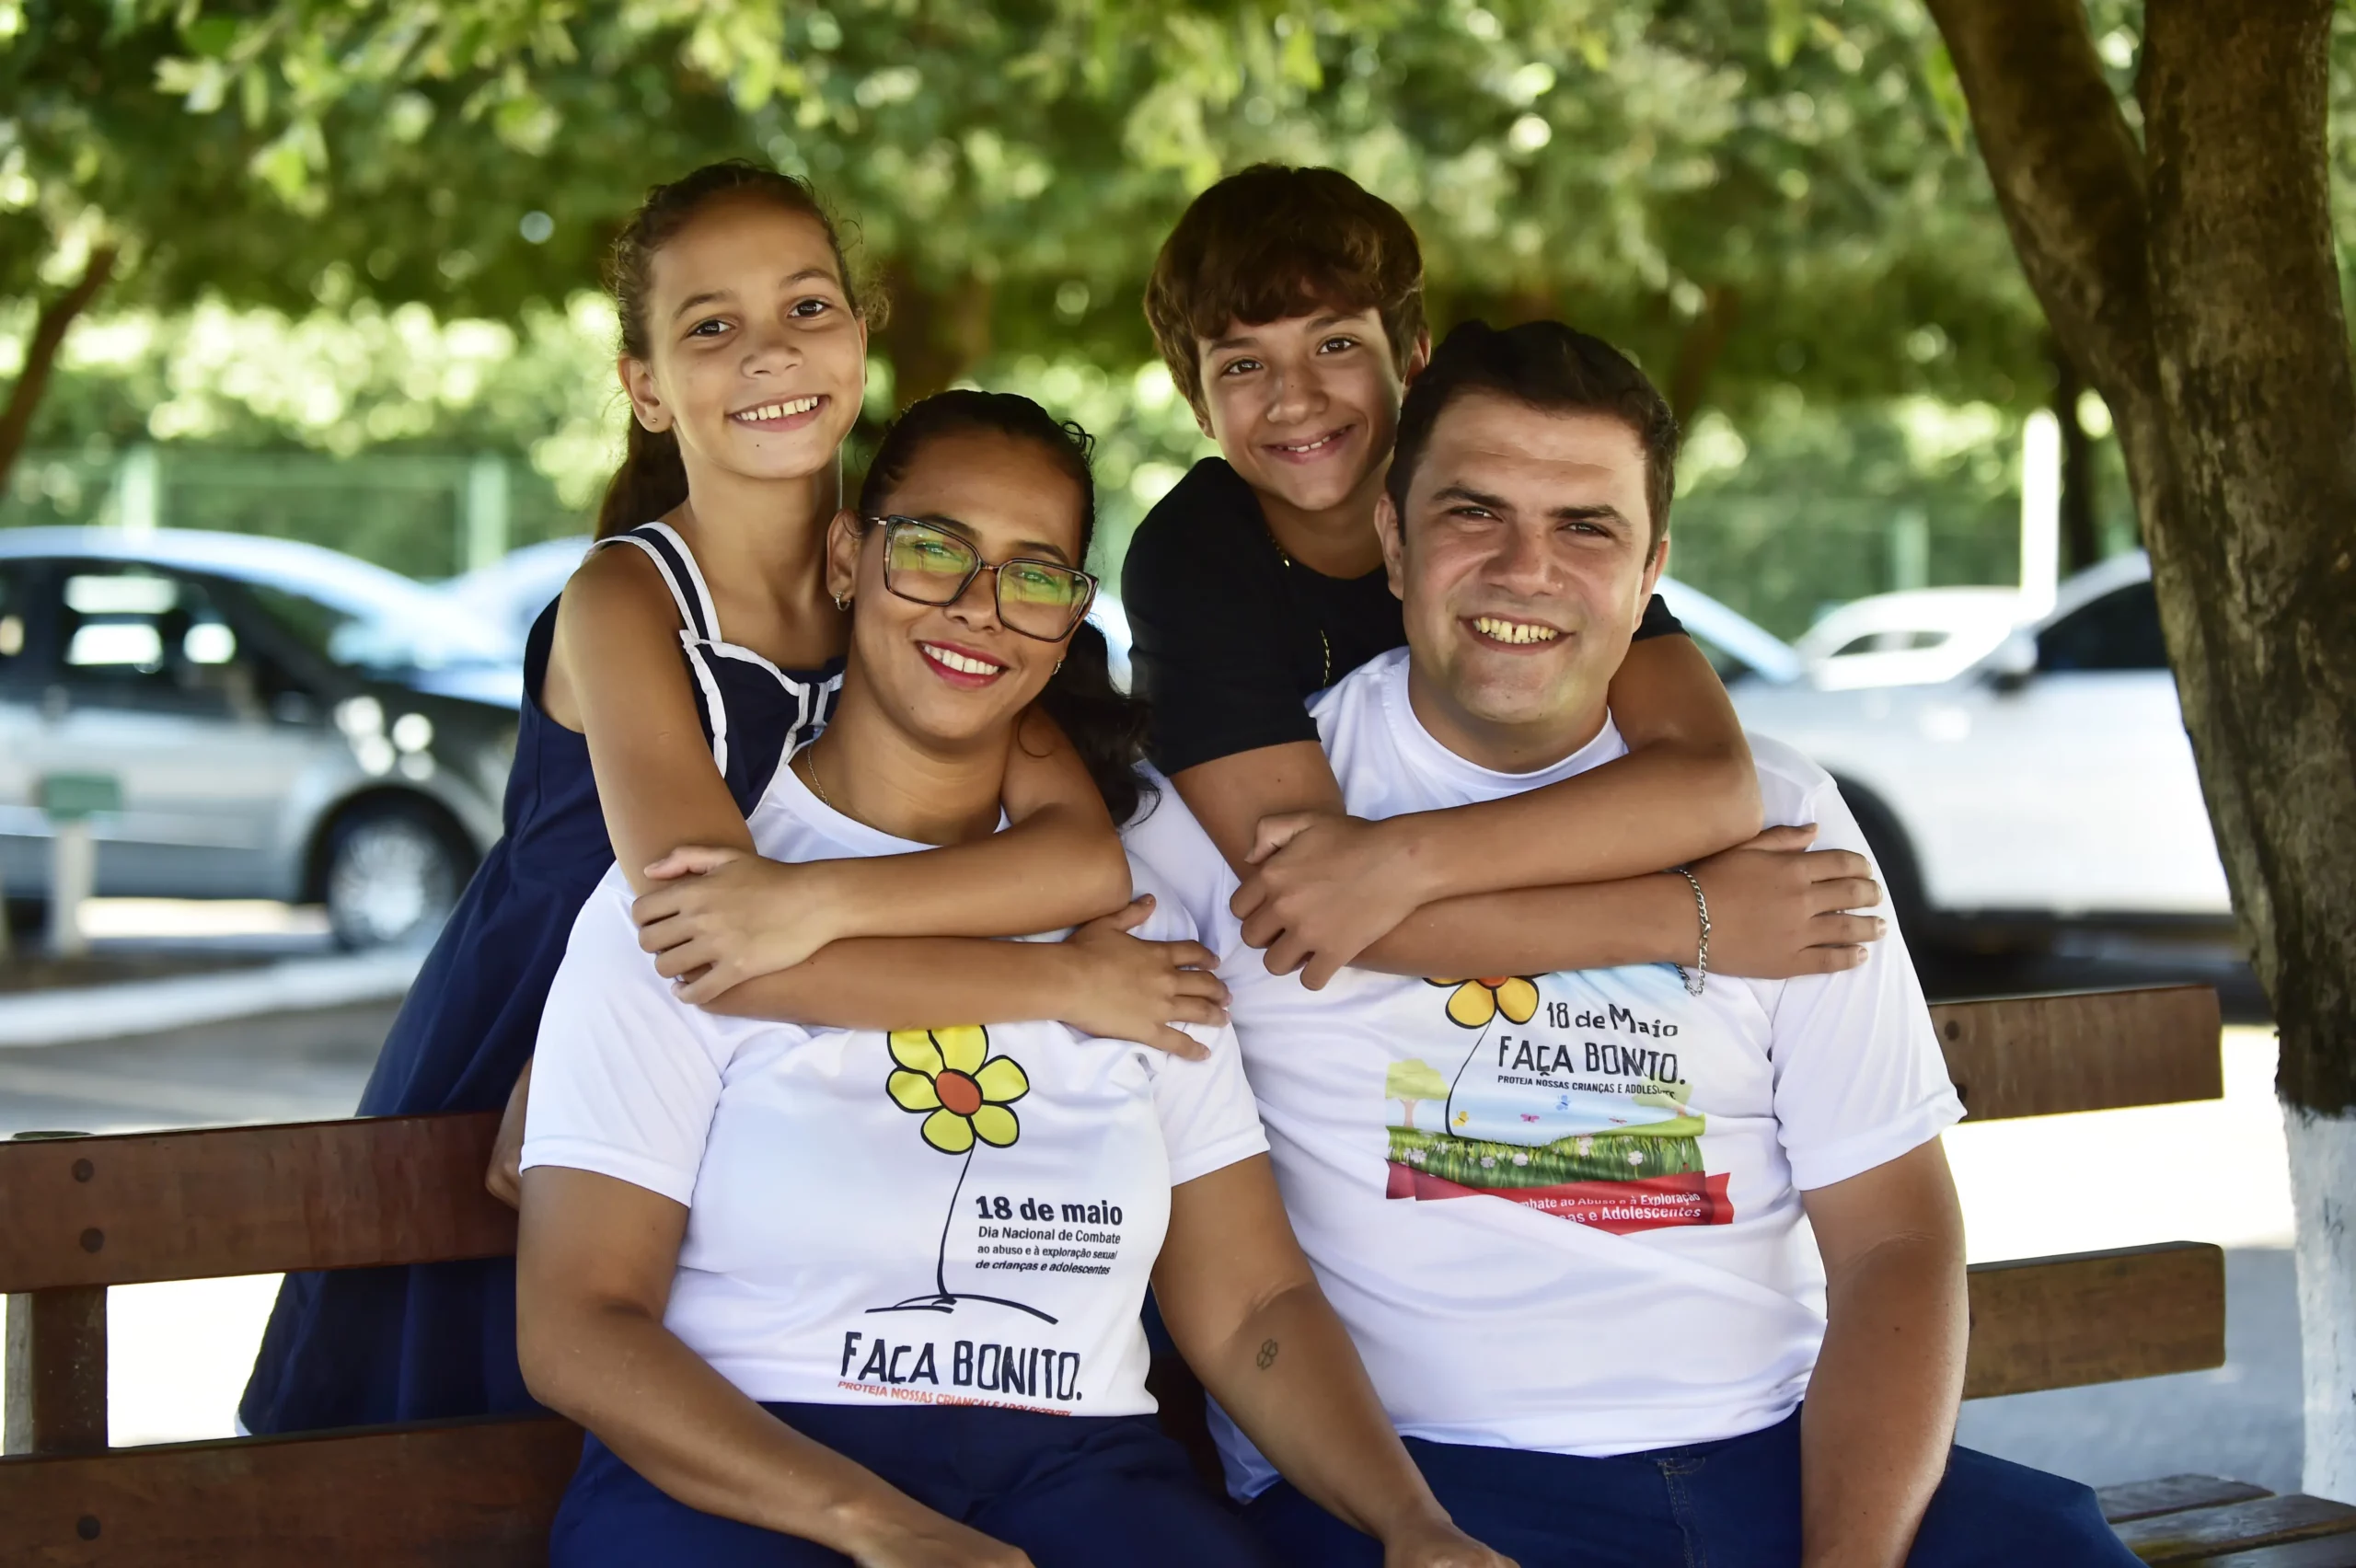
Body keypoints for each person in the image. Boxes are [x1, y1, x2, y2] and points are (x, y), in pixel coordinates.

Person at [1126, 320, 2140, 1567]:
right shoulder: (1222, 836)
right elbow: (1237, 1288)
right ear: (1391, 539)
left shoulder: (1783, 810)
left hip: (1776, 1460)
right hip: (1423, 1485)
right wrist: (1410, 1529)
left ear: (1652, 562)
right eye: (1473, 514)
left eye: (1585, 527)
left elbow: (1893, 1238)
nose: (1524, 569)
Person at [240, 163, 1178, 1435]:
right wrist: (1066, 986)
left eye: (807, 308)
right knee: (474, 1463)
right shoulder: (626, 603)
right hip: (532, 1058)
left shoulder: (910, 572)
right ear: (643, 386)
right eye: (711, 327)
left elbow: (1075, 864)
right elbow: (713, 955)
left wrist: (807, 904)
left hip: (771, 1091)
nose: (771, 354)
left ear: (861, 331)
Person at [516, 389, 1517, 1568]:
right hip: (752, 1480)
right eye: (936, 550)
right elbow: (579, 1326)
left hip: (1081, 1474)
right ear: (848, 556)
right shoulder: (703, 904)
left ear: (1069, 621)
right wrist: (885, 1531)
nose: (979, 609)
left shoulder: (1137, 918)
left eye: (1034, 576)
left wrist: (1413, 1528)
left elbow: (1251, 1305)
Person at [1125, 164, 1884, 991]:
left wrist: (1403, 859)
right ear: (1198, 405)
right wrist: (1690, 919)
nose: (1294, 398)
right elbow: (1316, 899)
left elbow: (1713, 783)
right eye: (1241, 366)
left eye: (1335, 344)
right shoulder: (1193, 556)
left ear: (1411, 359)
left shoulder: (1510, 518)